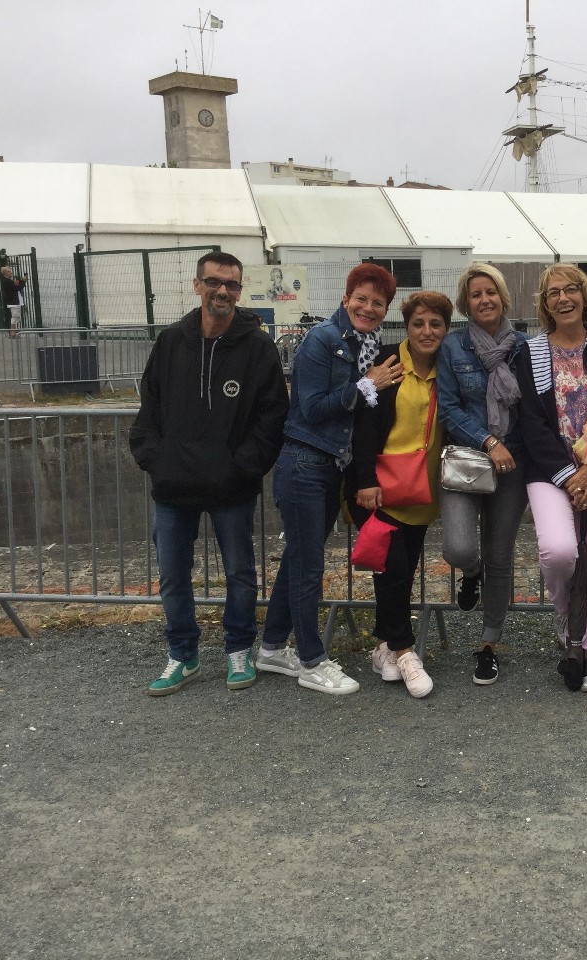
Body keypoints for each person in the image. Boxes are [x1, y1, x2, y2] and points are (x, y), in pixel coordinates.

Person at [130, 251, 288, 696]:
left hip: (231, 488)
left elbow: (272, 415)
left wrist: (243, 467)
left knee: (240, 573)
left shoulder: (257, 347)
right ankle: (183, 654)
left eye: (232, 285)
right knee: (172, 575)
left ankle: (239, 649)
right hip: (173, 485)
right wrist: (155, 458)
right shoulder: (171, 342)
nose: (223, 291)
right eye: (214, 282)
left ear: (240, 291)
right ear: (197, 284)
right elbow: (150, 407)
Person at [256, 263, 405, 695]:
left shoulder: (365, 343)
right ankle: (311, 660)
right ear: (346, 298)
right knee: (307, 567)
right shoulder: (323, 339)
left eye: (378, 302)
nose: (368, 307)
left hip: (327, 467)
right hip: (304, 462)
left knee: (297, 560)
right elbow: (314, 407)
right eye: (361, 298)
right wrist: (367, 383)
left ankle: (270, 648)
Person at [515, 264, 587, 693]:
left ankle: (580, 650)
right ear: (545, 305)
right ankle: (566, 620)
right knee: (559, 552)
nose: (563, 299)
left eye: (571, 291)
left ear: (585, 296)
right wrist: (569, 475)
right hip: (549, 472)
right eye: (553, 294)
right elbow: (530, 421)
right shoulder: (530, 352)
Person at [347, 291, 450, 699]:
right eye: (418, 323)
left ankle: (382, 646)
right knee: (391, 567)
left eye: (435, 324)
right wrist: (364, 479)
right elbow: (363, 426)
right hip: (380, 488)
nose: (427, 331)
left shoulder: (450, 369)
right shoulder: (387, 364)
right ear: (406, 327)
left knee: (400, 573)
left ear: (446, 328)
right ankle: (406, 652)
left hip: (422, 490)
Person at [437, 263, 527, 686]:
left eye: (490, 292)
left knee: (500, 555)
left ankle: (489, 644)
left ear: (503, 296)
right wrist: (489, 441)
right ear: (465, 303)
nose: (484, 300)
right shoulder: (454, 347)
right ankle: (470, 574)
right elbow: (449, 406)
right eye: (475, 294)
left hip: (514, 467)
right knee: (457, 547)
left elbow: (533, 409)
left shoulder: (525, 346)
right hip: (468, 460)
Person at [0, 265, 26, 336]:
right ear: (6, 272)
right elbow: (17, 287)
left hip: (14, 301)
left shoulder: (9, 281)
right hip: (13, 301)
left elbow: (16, 285)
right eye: (10, 271)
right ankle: (12, 332)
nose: (11, 272)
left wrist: (21, 280)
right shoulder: (7, 281)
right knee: (15, 316)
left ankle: (14, 331)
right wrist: (23, 281)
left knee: (16, 316)